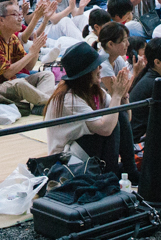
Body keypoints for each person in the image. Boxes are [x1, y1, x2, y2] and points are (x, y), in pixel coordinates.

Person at [45, 41, 134, 176]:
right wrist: (116, 95)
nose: (100, 68)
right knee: (108, 125)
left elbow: (126, 118)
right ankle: (111, 175)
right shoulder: (69, 99)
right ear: (85, 72)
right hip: (64, 160)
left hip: (83, 152)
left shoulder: (94, 91)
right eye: (95, 66)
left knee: (117, 115)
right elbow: (106, 129)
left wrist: (123, 95)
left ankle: (129, 170)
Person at [0, 0, 54, 105]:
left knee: (47, 75)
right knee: (20, 83)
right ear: (1, 20)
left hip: (7, 83)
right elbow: (7, 73)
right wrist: (31, 53)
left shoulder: (12, 37)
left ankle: (42, 103)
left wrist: (36, 50)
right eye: (15, 14)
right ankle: (50, 102)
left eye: (20, 14)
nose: (20, 18)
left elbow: (28, 67)